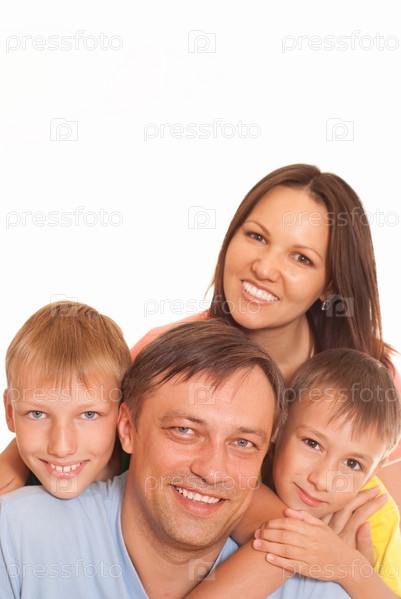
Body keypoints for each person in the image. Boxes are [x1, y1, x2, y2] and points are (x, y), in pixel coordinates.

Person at [0, 320, 352, 598]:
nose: (213, 470)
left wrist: (353, 568)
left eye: (243, 442)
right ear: (127, 428)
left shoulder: (310, 587)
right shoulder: (16, 536)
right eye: (184, 430)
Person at [129, 163, 401, 511]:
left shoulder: (378, 379)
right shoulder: (162, 354)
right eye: (257, 237)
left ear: (330, 285)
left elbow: (385, 517)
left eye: (301, 258)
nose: (264, 268)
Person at [253, 348, 401, 596]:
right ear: (278, 423)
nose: (321, 481)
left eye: (352, 464)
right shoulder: (249, 465)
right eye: (312, 444)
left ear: (374, 471)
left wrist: (349, 568)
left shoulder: (375, 518)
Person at [2, 300, 132, 498]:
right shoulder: (11, 494)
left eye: (89, 415)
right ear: (10, 412)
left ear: (123, 418)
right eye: (37, 414)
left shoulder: (145, 466)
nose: (61, 449)